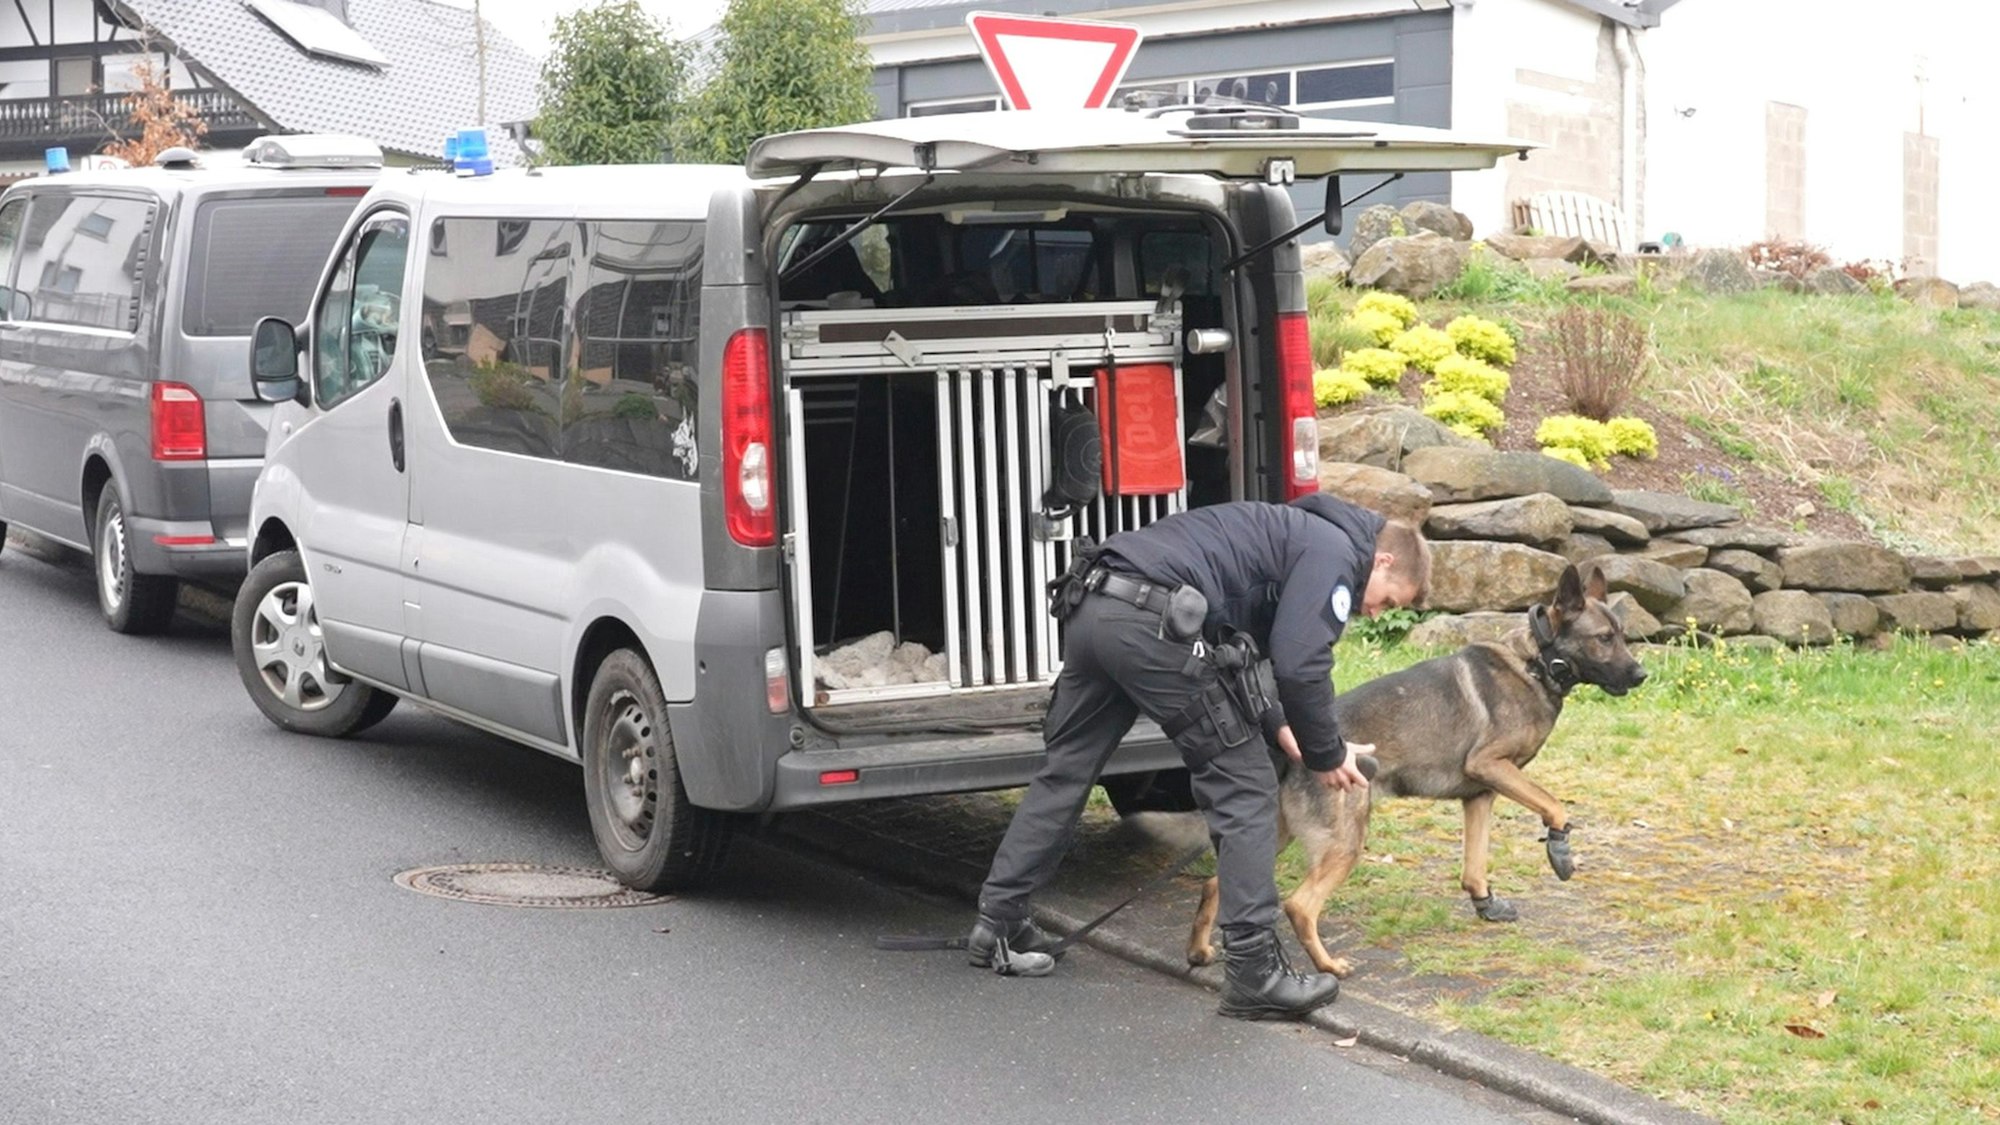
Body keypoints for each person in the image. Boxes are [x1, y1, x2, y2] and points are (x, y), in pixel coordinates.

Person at [967, 493, 1431, 1021]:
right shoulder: (1334, 553)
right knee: (1247, 788)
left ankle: (998, 922)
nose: (1377, 612)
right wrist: (1326, 755)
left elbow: (1250, 655)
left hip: (1095, 604)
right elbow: (1302, 662)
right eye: (1388, 600)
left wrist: (1283, 727)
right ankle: (1255, 973)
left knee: (1065, 773)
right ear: (1384, 560)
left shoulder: (1293, 531)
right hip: (1154, 622)